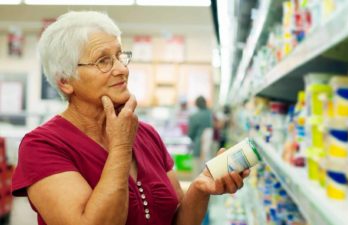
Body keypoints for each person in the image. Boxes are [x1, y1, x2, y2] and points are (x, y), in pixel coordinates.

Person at [11, 11, 249, 225]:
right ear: (65, 81)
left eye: (119, 56)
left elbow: (176, 221)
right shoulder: (42, 146)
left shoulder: (146, 134)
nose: (122, 69)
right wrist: (122, 145)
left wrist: (200, 188)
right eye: (103, 61)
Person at [188, 96, 214, 171]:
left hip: (198, 147)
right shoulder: (211, 114)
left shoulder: (194, 116)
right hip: (211, 148)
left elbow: (191, 134)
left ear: (196, 104)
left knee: (197, 172)